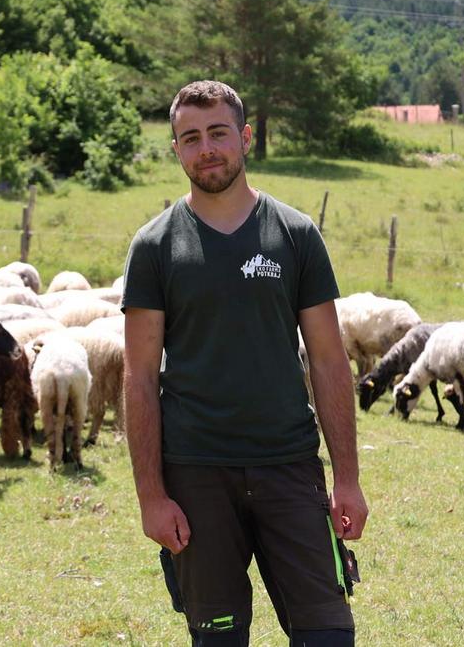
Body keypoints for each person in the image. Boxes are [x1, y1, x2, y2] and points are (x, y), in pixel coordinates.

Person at [122, 80, 368, 646]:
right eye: (190, 138)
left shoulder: (296, 235)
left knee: (328, 635)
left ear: (245, 138)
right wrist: (151, 497)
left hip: (289, 467)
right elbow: (138, 377)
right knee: (219, 639)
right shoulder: (155, 247)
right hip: (195, 474)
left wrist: (347, 479)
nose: (206, 148)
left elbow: (330, 362)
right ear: (177, 149)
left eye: (217, 133)